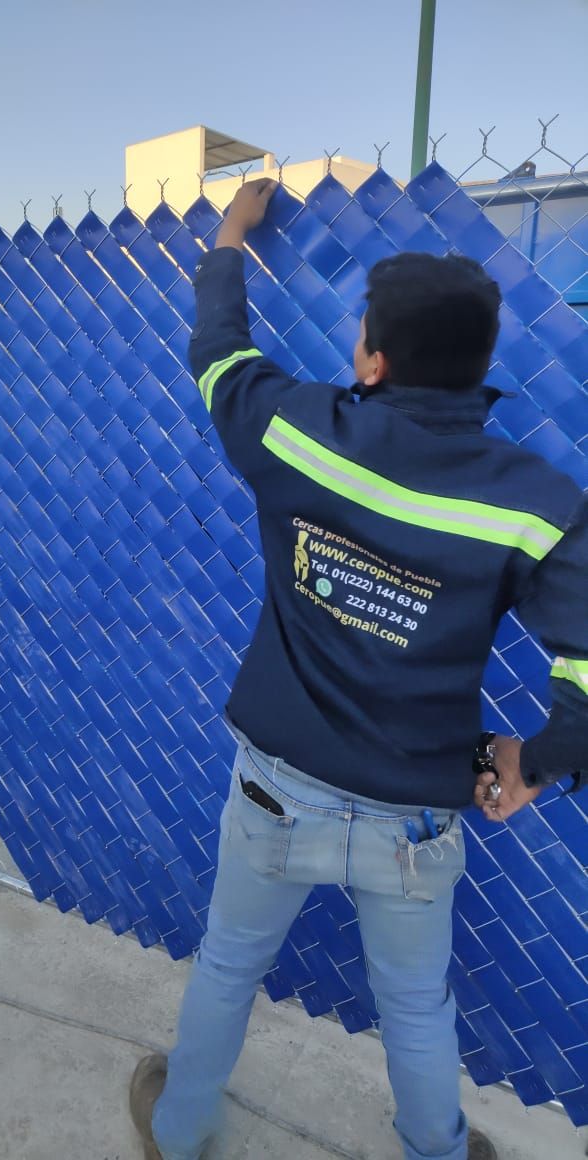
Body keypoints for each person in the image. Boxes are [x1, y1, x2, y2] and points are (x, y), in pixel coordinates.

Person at [129, 179, 588, 1160]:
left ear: (372, 358)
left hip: (274, 790)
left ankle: (178, 1130)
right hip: (413, 815)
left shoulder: (295, 429)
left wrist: (230, 237)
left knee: (227, 964)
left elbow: (218, 354)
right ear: (481, 364)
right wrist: (540, 759)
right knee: (416, 1008)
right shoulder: (534, 502)